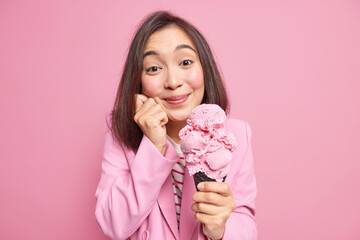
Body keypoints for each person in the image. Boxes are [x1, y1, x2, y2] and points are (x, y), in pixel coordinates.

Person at [95, 11, 257, 240]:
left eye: (186, 62)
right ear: (138, 81)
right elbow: (113, 225)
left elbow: (247, 223)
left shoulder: (236, 135)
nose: (173, 82)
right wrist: (154, 145)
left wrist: (221, 230)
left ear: (205, 68)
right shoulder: (121, 135)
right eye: (154, 68)